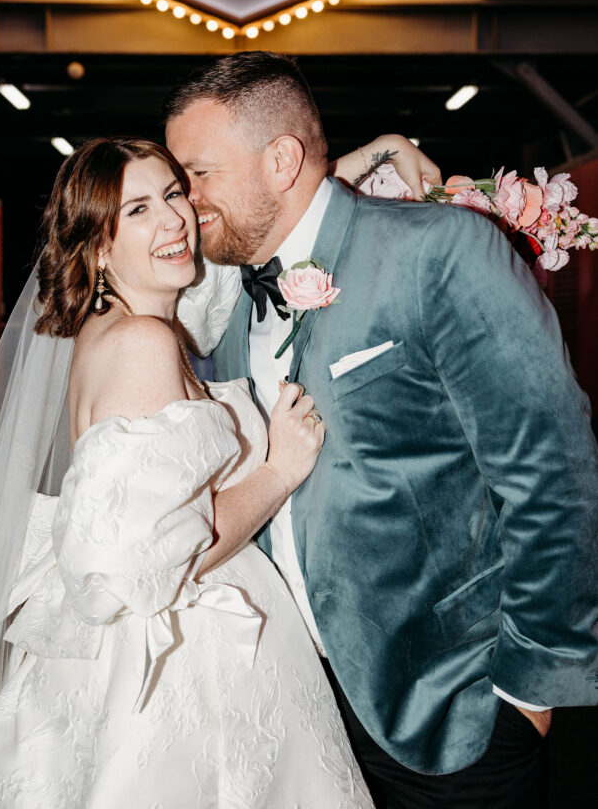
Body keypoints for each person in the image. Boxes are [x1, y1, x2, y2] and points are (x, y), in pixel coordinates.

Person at [0, 131, 435, 808]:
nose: (171, 220)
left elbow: (264, 209)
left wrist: (376, 154)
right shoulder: (143, 342)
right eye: (137, 211)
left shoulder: (134, 318)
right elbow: (147, 565)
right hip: (180, 664)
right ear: (97, 246)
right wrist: (280, 468)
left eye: (172, 195)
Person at [164, 51, 598, 809]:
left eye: (199, 174)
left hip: (451, 709)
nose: (183, 201)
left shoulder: (437, 251)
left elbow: (551, 470)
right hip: (289, 713)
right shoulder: (224, 300)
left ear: (280, 160)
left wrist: (529, 692)